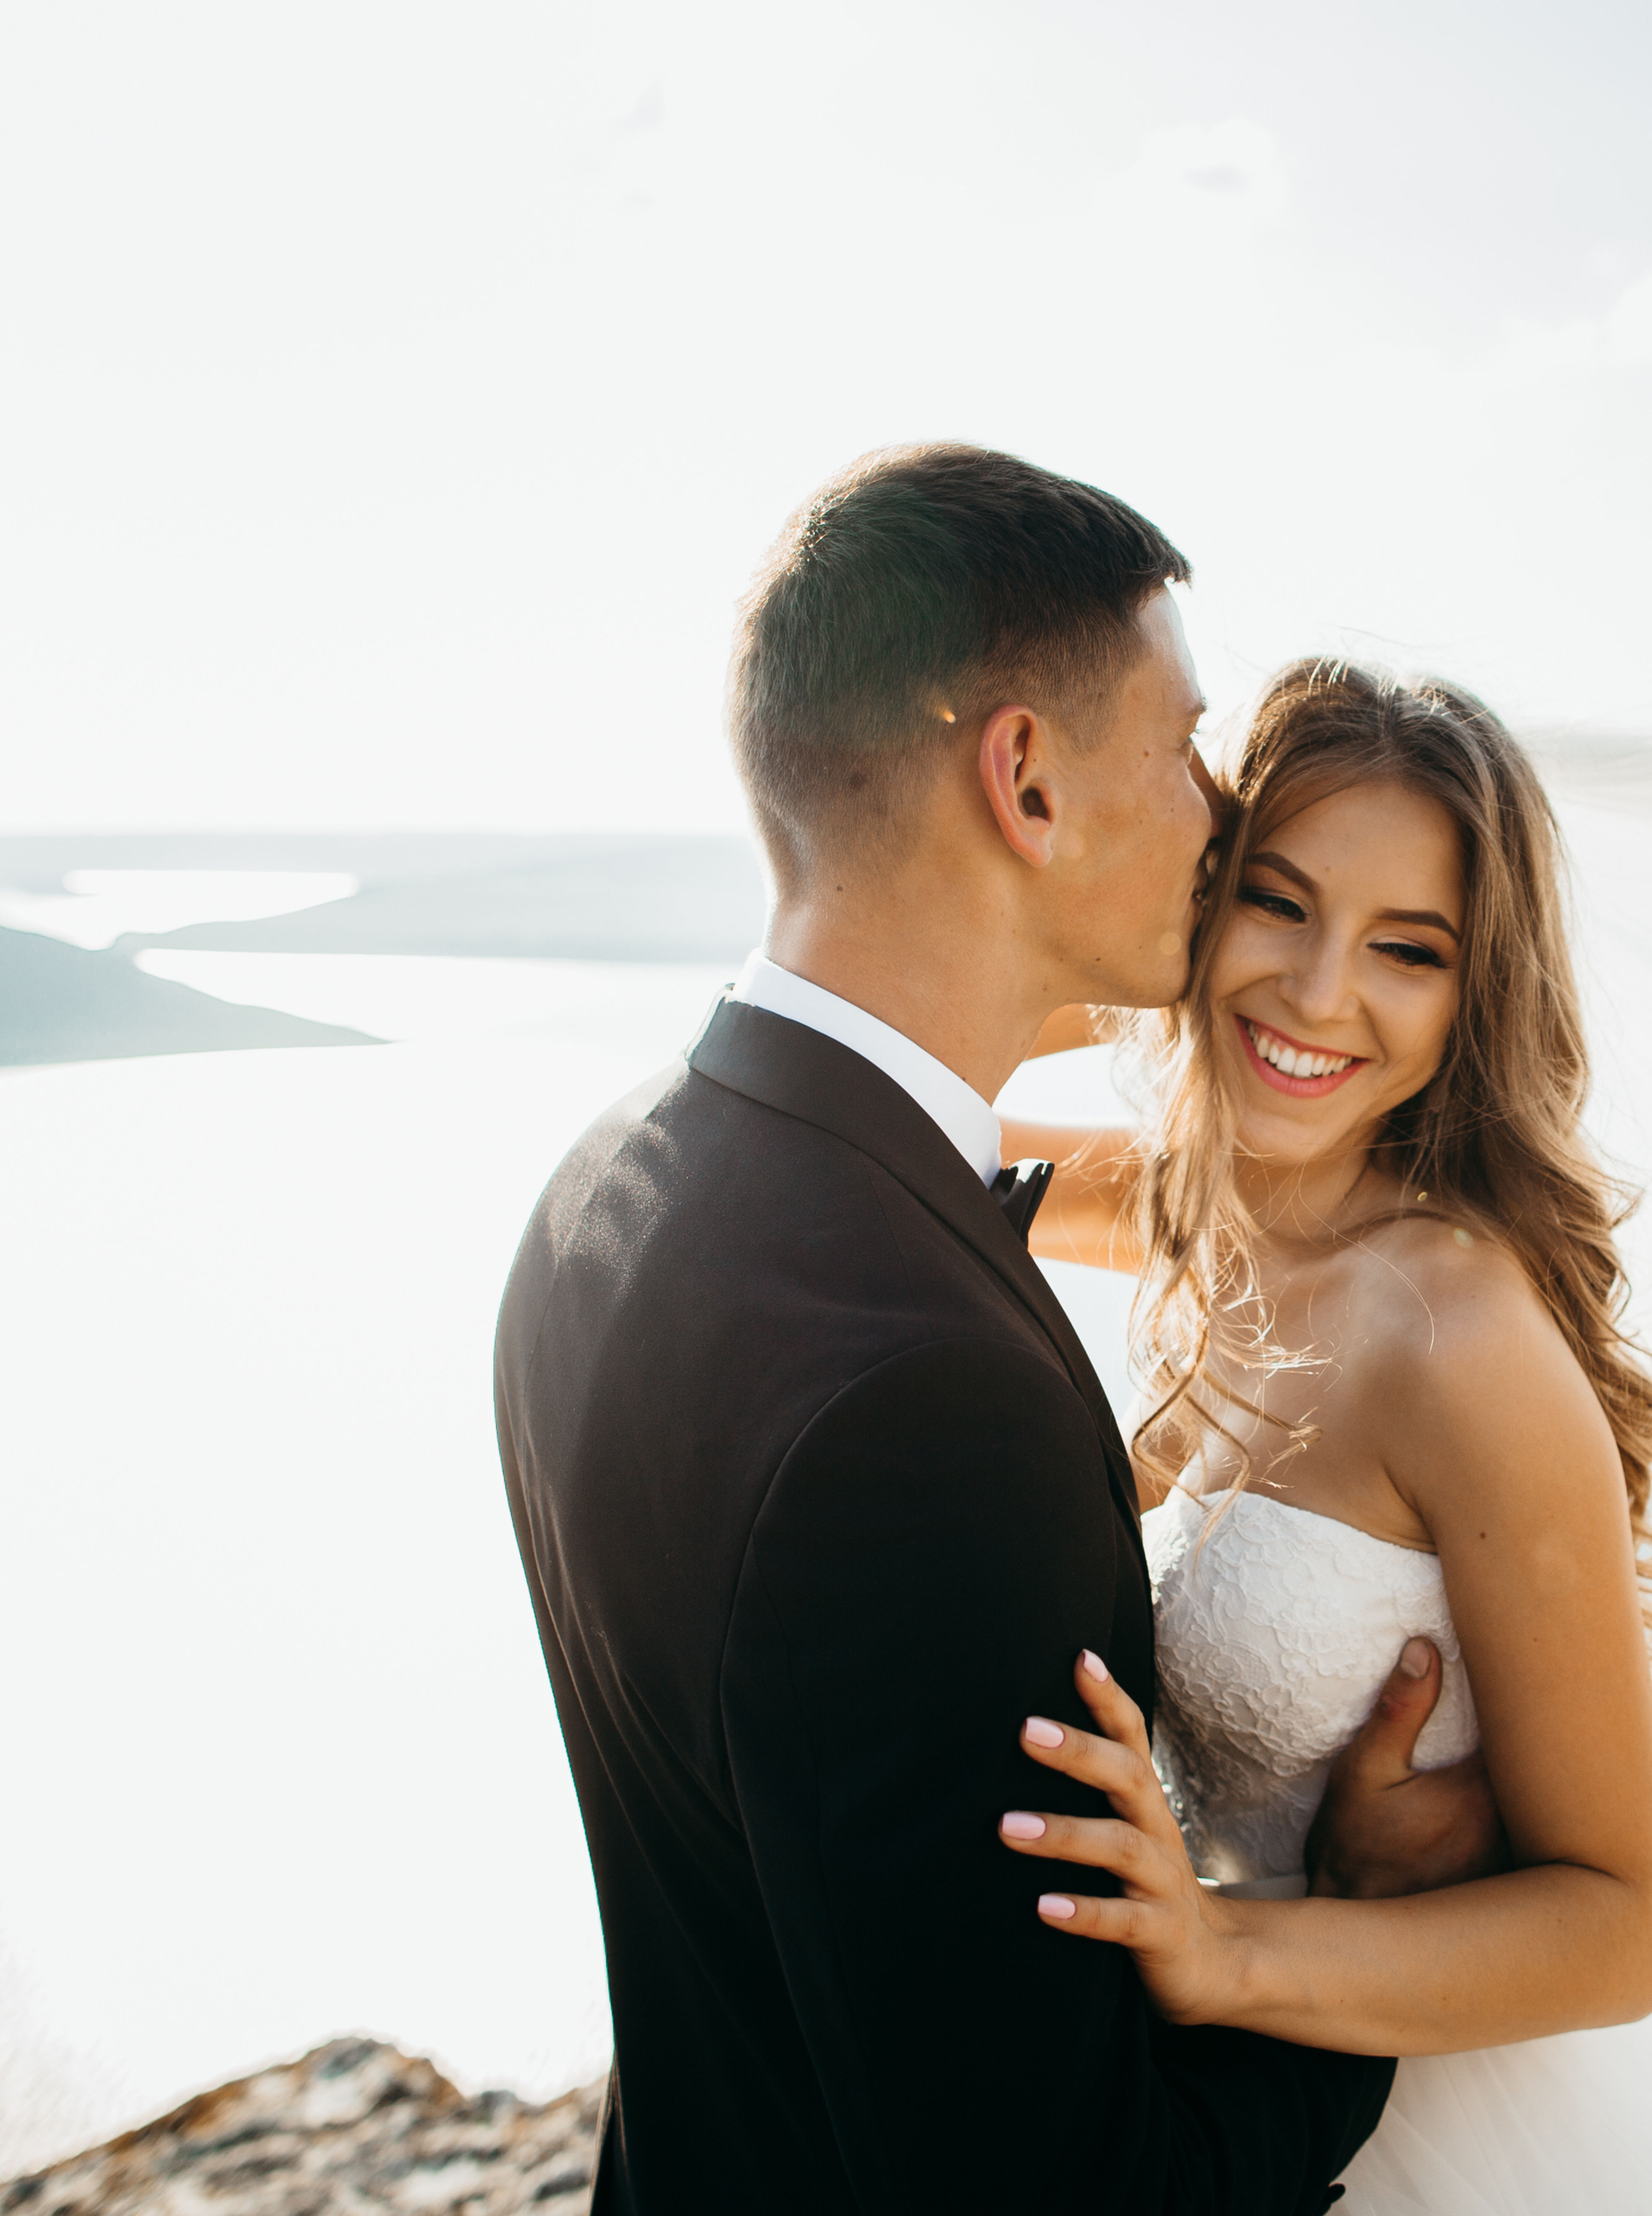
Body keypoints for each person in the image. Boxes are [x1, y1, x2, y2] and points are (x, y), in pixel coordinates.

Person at [494, 447, 1504, 2214]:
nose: (1220, 810)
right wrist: (1362, 1914)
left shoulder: (600, 1189)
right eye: (1182, 746)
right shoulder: (930, 1407)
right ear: (1026, 779)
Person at [994, 660, 1652, 2211]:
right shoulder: (1210, 1202)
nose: (1318, 991)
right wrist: (1136, 942)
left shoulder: (1455, 1337)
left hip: (1460, 2110)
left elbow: (1623, 1929)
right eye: (1275, 900)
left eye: (1408, 948)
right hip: (1254, 2089)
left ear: (1477, 996)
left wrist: (1227, 1945)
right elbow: (919, 1100)